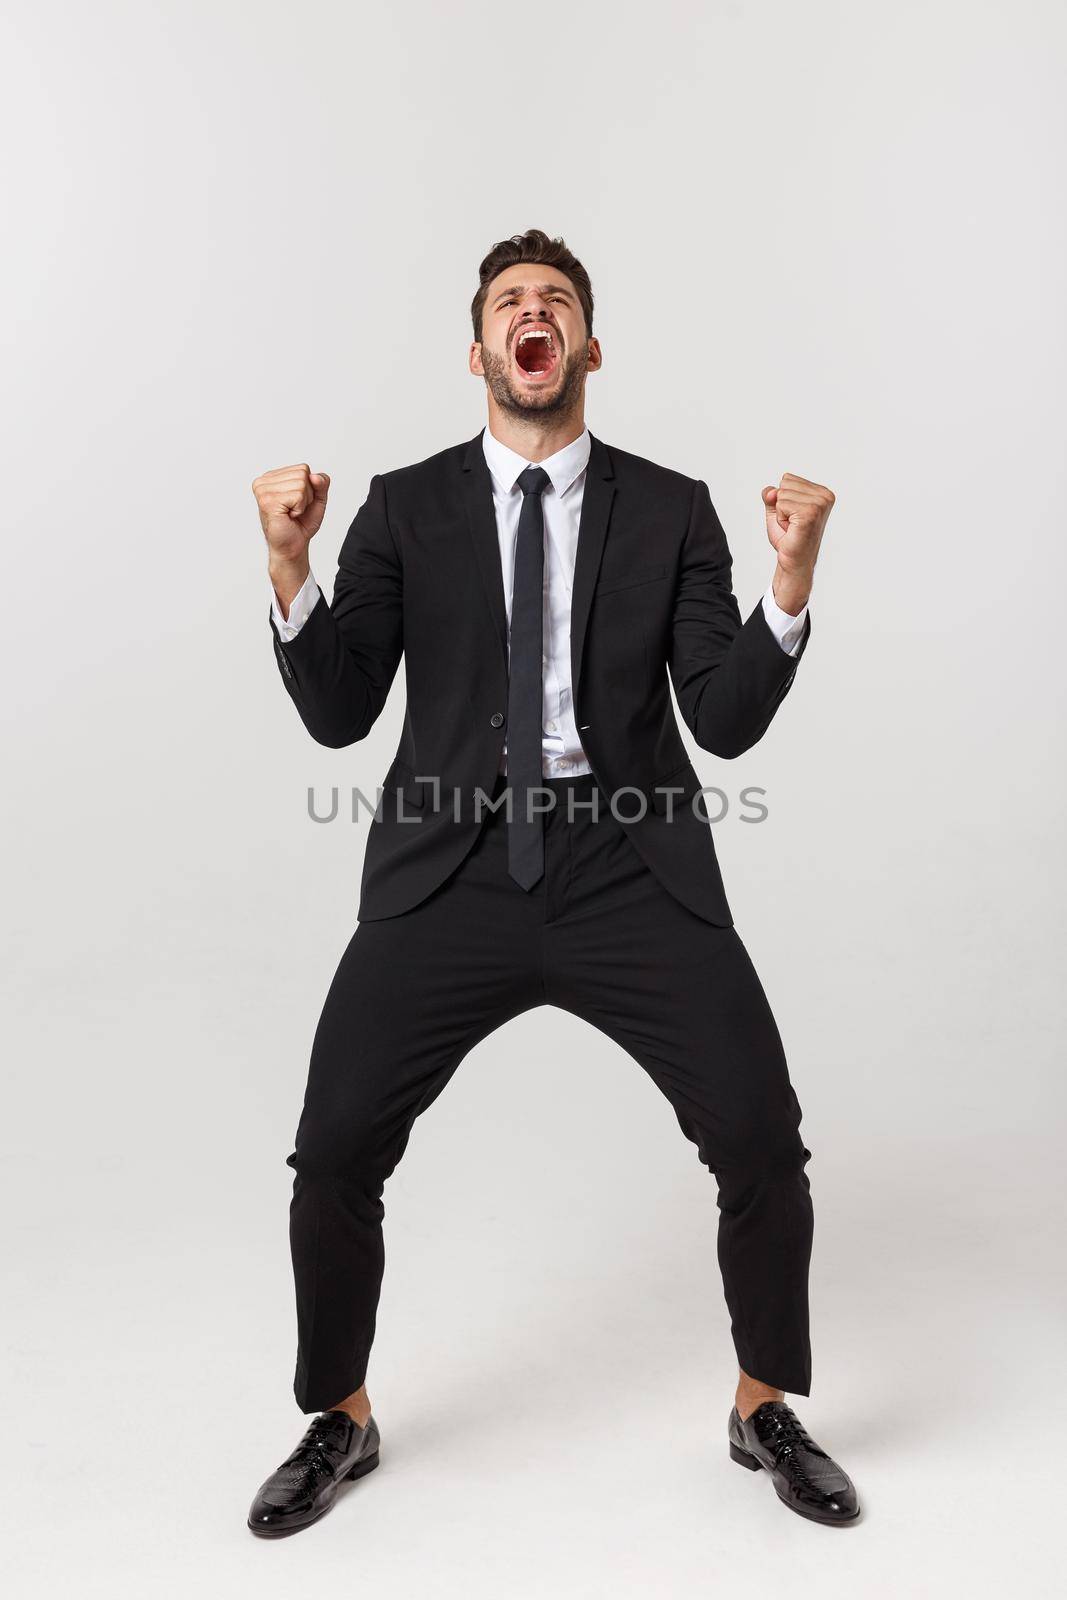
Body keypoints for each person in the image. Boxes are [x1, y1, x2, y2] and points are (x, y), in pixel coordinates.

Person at [246, 228, 859, 1536]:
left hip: (626, 863)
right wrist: (291, 570)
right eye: (512, 303)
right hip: (448, 869)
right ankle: (336, 1414)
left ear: (587, 346)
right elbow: (343, 712)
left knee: (759, 1135)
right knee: (337, 1148)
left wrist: (789, 590)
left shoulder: (672, 508)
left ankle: (764, 1405)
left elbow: (728, 720)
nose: (536, 314)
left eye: (558, 301)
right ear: (480, 353)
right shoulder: (406, 509)